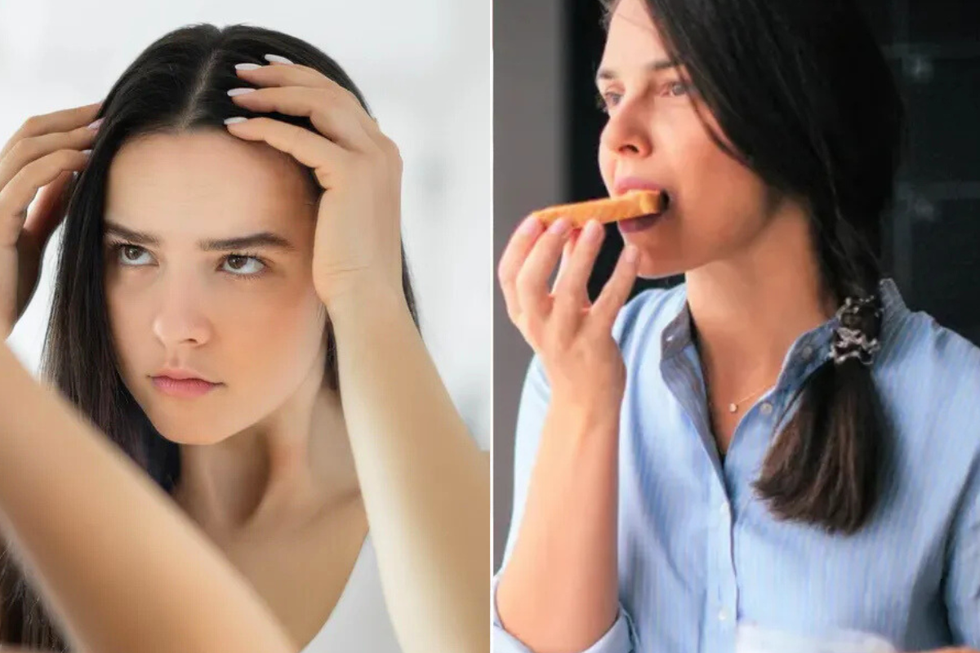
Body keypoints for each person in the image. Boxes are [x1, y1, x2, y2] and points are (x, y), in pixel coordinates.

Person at [493, 0, 979, 652]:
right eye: (611, 96)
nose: (618, 137)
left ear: (790, 103)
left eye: (676, 87)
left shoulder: (958, 405)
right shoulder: (570, 369)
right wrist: (585, 401)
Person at [0, 23, 489, 653]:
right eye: (132, 252)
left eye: (239, 262)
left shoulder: (475, 506)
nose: (175, 325)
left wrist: (369, 291)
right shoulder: (25, 535)